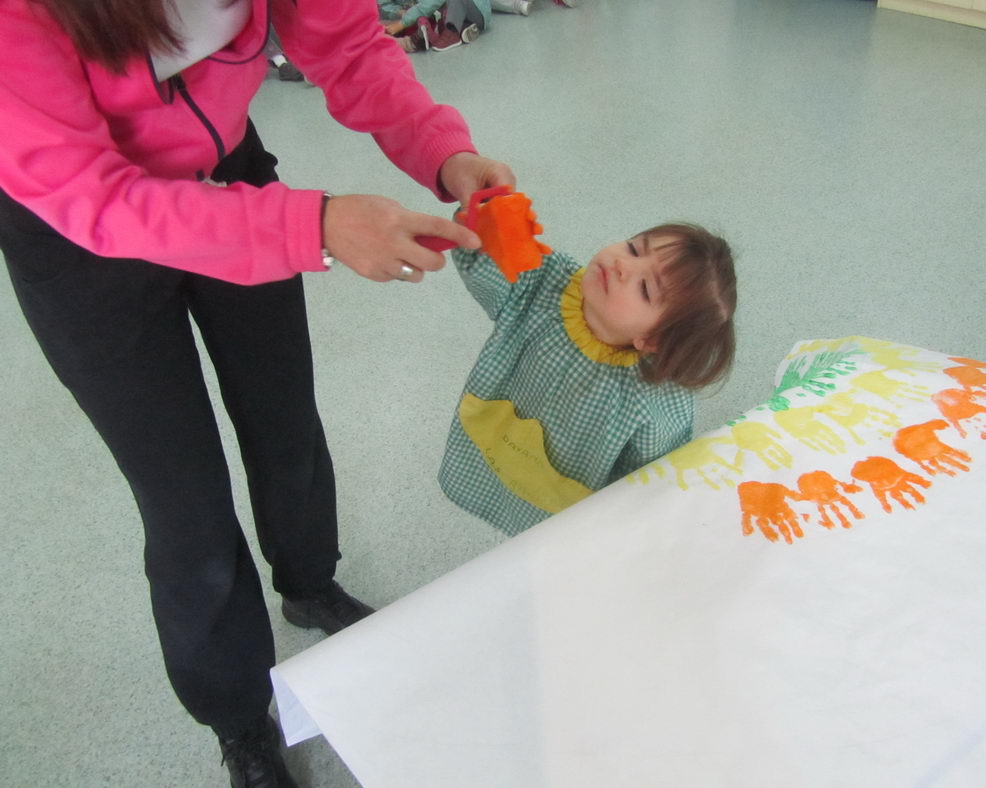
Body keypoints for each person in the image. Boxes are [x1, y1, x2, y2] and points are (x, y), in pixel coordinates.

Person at [0, 0, 514, 786]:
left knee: (283, 421)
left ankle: (309, 585)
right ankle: (238, 717)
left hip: (228, 173)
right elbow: (93, 197)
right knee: (185, 503)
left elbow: (345, 48)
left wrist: (443, 152)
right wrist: (311, 227)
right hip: (82, 233)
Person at [439, 221, 736, 536]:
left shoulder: (656, 400)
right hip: (491, 445)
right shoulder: (544, 280)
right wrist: (486, 223)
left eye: (645, 288)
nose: (623, 265)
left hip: (555, 499)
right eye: (634, 248)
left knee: (532, 542)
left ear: (652, 340)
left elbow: (645, 481)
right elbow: (488, 268)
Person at [381, 0, 492, 53]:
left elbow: (431, 3)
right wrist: (400, 13)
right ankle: (463, 29)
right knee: (422, 18)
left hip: (476, 10)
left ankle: (452, 32)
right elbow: (384, 5)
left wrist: (403, 23)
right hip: (448, 12)